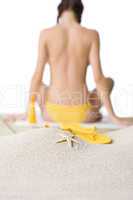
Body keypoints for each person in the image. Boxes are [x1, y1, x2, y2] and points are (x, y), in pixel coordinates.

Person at [4, 0, 133, 126]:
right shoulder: (92, 35)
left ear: (60, 11)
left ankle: (31, 112)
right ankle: (99, 114)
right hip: (83, 114)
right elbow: (99, 79)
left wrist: (26, 113)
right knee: (108, 81)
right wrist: (114, 117)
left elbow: (37, 77)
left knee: (39, 85)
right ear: (80, 13)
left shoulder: (46, 34)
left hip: (52, 113)